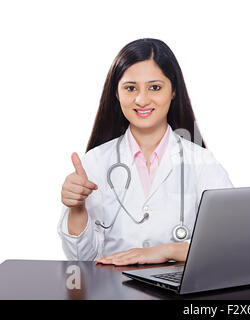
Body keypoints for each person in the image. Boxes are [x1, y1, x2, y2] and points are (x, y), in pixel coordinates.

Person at [57, 38, 233, 265]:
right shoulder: (95, 163)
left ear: (173, 91)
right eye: (130, 88)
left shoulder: (201, 162)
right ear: (117, 93)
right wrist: (77, 209)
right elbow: (81, 260)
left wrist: (169, 250)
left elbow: (228, 246)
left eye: (155, 87)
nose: (141, 100)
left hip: (177, 291)